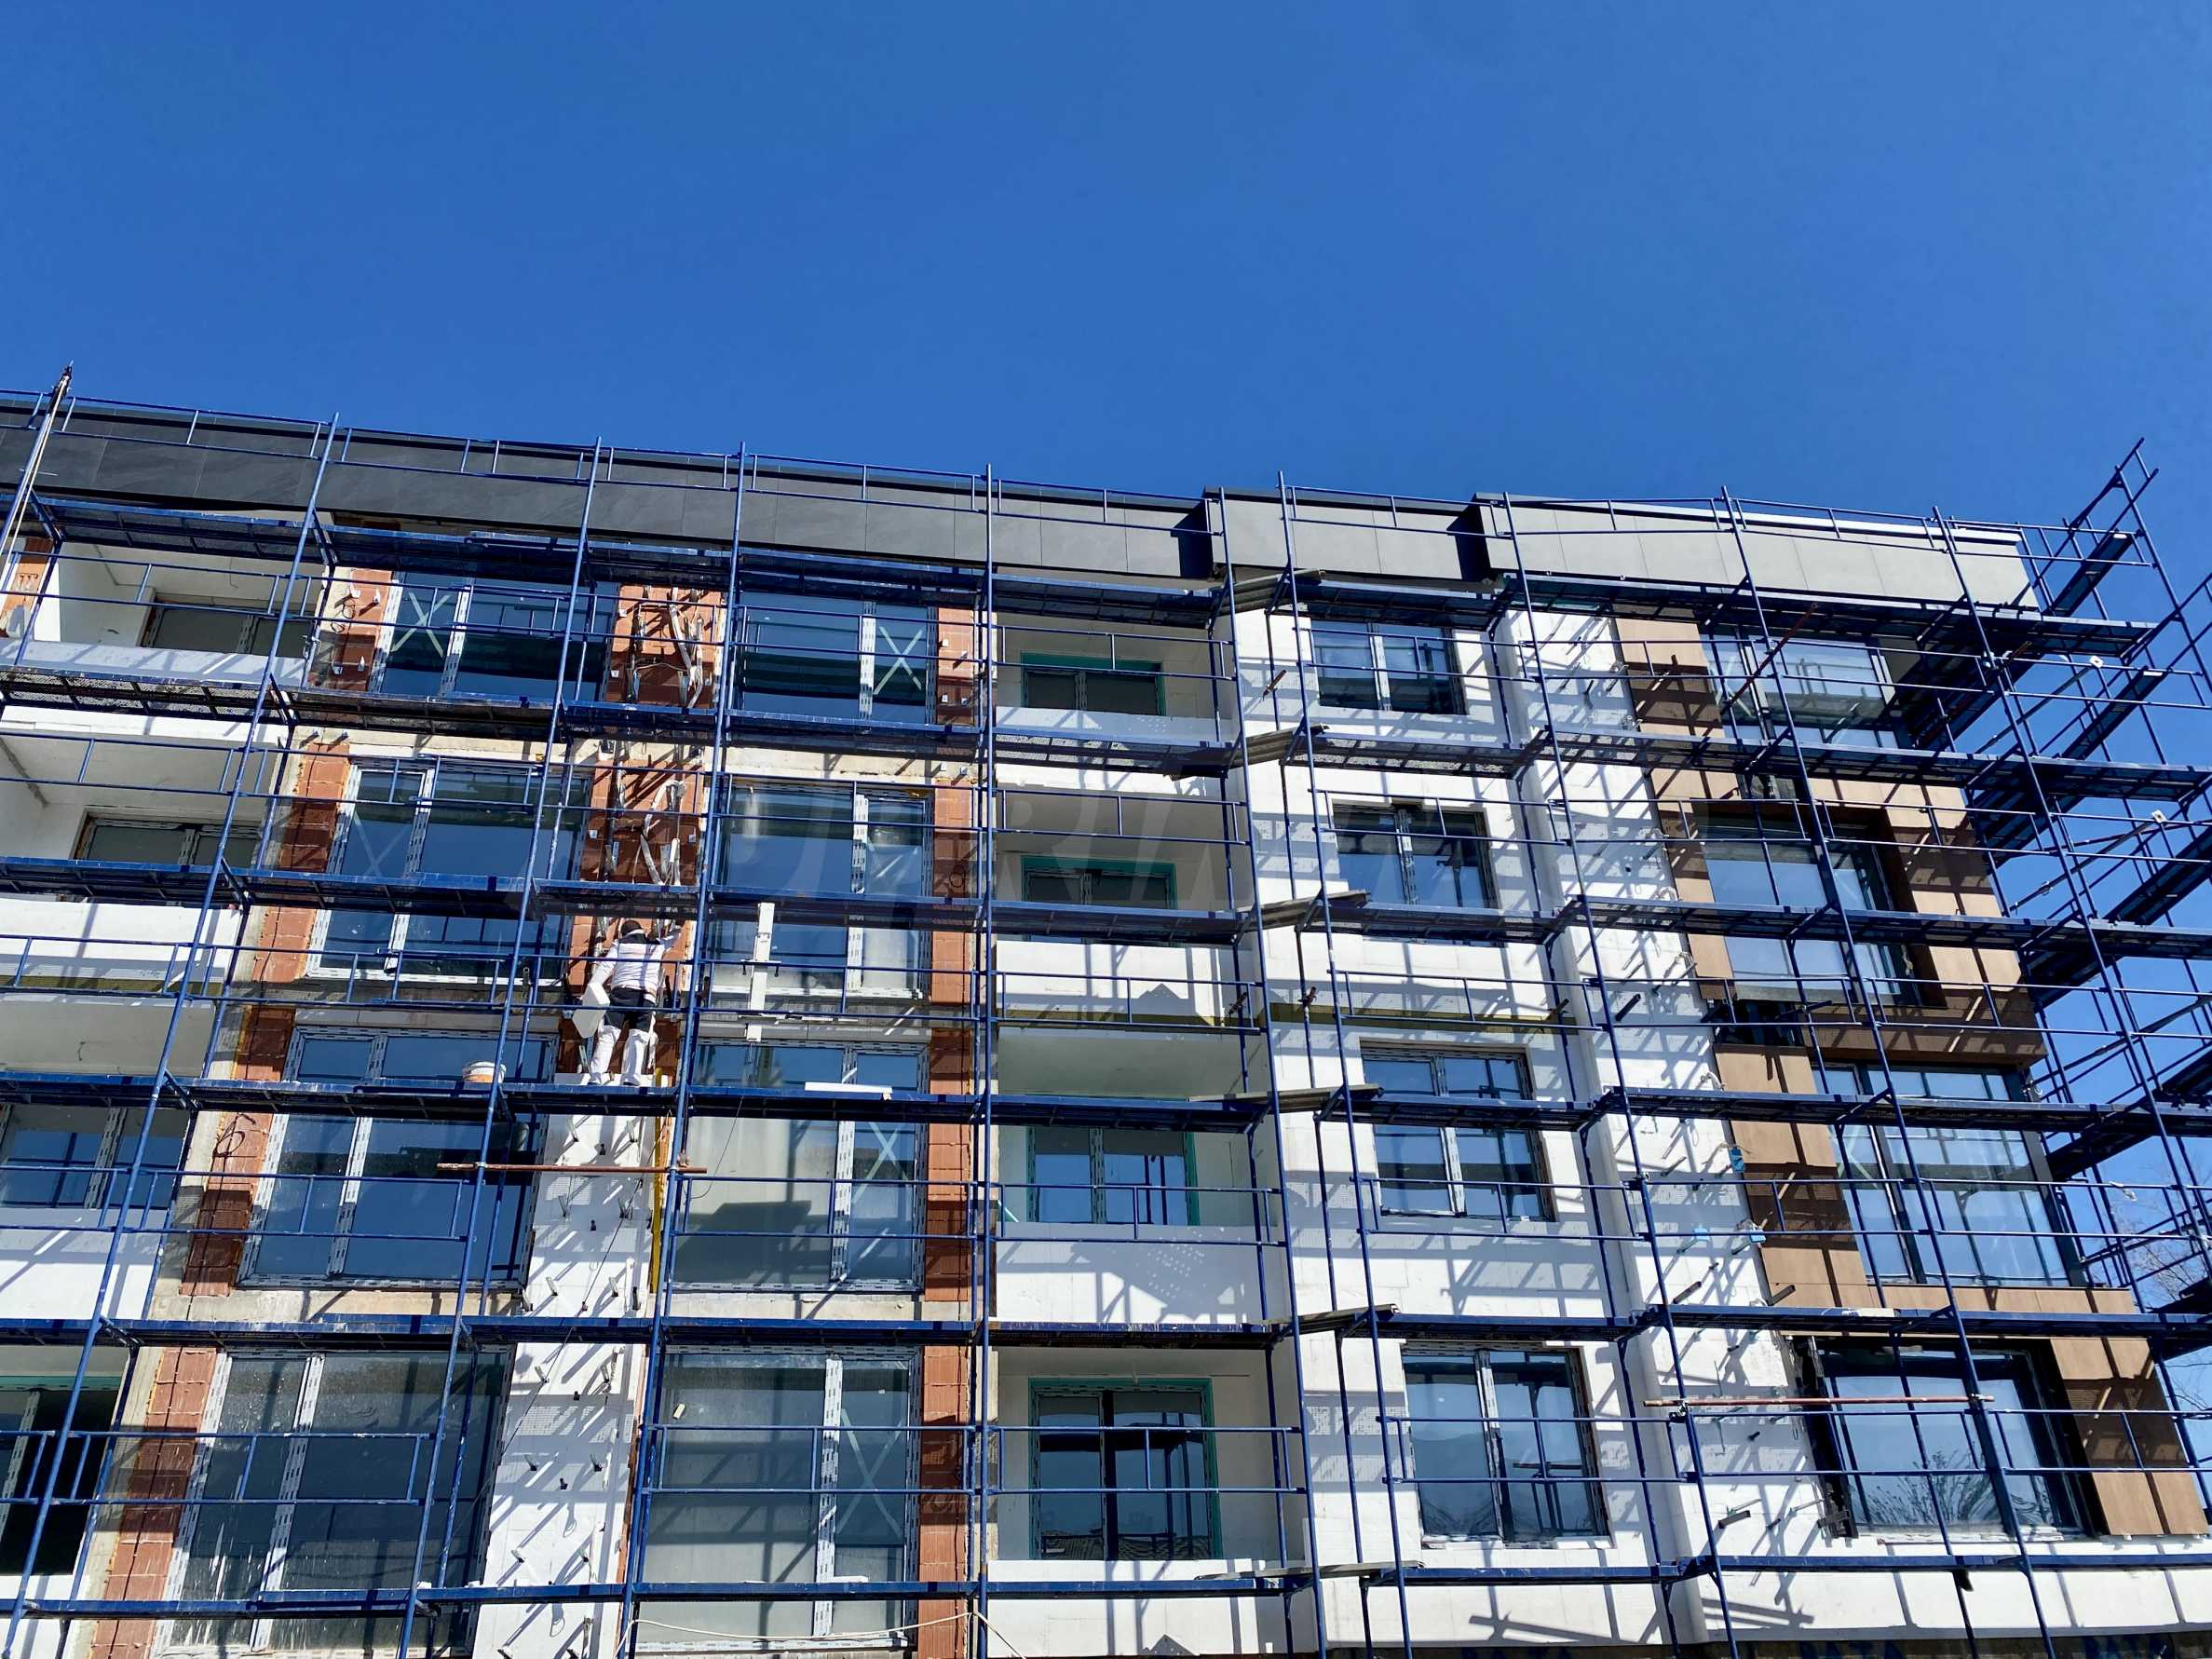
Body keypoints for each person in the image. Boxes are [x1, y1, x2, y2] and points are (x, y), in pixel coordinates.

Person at [587, 920, 679, 1084]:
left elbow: (605, 968)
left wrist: (590, 991)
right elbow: (673, 938)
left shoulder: (620, 944)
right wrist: (678, 925)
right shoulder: (656, 945)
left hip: (620, 995)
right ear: (640, 930)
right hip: (645, 998)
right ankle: (631, 1079)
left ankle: (595, 1078)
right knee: (638, 1038)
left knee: (608, 1035)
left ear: (623, 933)